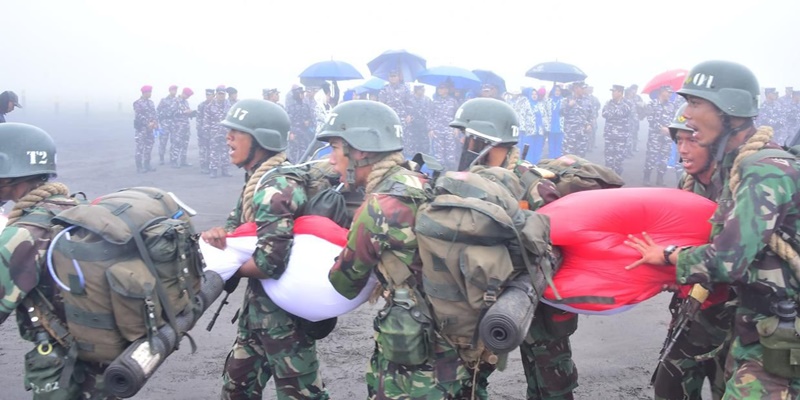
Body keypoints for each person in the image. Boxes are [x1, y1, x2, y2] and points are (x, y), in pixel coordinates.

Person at [625, 60, 800, 398]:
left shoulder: (763, 169)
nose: (686, 115)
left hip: (781, 330)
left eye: (695, 103)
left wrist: (667, 256)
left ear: (729, 110)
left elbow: (727, 260)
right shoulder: (734, 168)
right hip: (754, 327)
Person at [322, 100, 484, 399]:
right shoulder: (421, 181)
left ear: (360, 150)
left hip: (417, 359)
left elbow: (343, 282)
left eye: (334, 147)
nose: (331, 160)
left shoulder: (379, 206)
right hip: (459, 340)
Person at [450, 98, 578, 399]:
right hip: (485, 300)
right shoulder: (466, 181)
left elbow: (559, 239)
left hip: (537, 301)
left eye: (466, 136)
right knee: (467, 385)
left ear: (482, 140)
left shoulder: (532, 184)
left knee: (552, 386)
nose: (462, 143)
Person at [201, 99, 329, 400]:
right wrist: (219, 238)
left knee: (301, 395)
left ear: (262, 140)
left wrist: (228, 264)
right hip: (257, 316)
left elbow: (269, 262)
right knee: (236, 389)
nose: (228, 138)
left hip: (286, 323)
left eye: (237, 132)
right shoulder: (258, 183)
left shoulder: (275, 187)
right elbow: (235, 234)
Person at [0, 123, 115, 398]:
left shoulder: (23, 235)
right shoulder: (77, 209)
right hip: (105, 362)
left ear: (8, 174)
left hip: (63, 371)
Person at [651, 103, 733, 400]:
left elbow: (734, 258)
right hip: (694, 313)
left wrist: (671, 257)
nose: (683, 149)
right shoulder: (688, 185)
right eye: (678, 141)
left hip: (736, 320)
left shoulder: (738, 187)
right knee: (669, 388)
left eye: (692, 140)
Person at [643, 86, 677, 186]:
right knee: (651, 157)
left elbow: (675, 120)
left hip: (667, 137)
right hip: (655, 136)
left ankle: (660, 178)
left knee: (664, 158)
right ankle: (647, 177)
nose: (670, 95)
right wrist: (660, 128)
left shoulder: (672, 106)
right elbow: (650, 119)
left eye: (671, 93)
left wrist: (671, 130)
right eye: (668, 92)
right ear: (662, 92)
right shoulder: (652, 104)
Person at [601, 84, 633, 175]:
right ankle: (609, 180)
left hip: (621, 136)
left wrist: (612, 112)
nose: (612, 93)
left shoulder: (627, 103)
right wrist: (614, 113)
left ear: (620, 92)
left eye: (614, 91)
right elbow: (604, 114)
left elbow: (622, 113)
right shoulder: (608, 102)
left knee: (619, 159)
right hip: (609, 134)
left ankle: (617, 178)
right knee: (608, 159)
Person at [204, 86, 232, 178]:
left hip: (226, 132)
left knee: (225, 152)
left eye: (223, 94)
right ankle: (213, 170)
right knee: (214, 152)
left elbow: (232, 119)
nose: (221, 96)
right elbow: (206, 120)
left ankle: (225, 170)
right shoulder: (210, 106)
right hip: (214, 132)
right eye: (220, 94)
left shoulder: (229, 106)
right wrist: (207, 131)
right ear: (216, 94)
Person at [561, 81, 593, 157]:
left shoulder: (587, 101)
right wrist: (569, 106)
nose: (584, 90)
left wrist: (590, 124)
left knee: (580, 158)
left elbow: (591, 115)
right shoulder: (567, 100)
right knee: (568, 157)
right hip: (570, 134)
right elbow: (561, 113)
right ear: (576, 88)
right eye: (582, 88)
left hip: (582, 134)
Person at [133, 85, 158, 173]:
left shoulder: (151, 103)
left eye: (151, 92)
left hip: (150, 129)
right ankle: (139, 167)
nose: (150, 94)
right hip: (141, 129)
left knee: (149, 147)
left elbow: (154, 114)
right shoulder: (137, 103)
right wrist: (148, 123)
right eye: (149, 92)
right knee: (140, 147)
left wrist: (155, 124)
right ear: (144, 93)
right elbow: (139, 115)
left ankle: (147, 164)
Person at [170, 87, 195, 168]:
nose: (188, 97)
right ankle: (174, 161)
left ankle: (183, 161)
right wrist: (184, 112)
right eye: (187, 95)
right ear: (183, 93)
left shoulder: (186, 102)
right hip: (177, 127)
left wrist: (191, 113)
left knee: (185, 144)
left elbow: (187, 112)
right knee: (176, 144)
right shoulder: (175, 101)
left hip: (185, 126)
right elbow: (172, 113)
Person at [156, 85, 179, 165]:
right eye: (173, 90)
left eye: (176, 90)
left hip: (174, 123)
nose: (175, 91)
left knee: (174, 142)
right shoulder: (164, 100)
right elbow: (158, 110)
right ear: (169, 91)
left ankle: (173, 159)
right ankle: (161, 158)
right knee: (163, 141)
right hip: (165, 123)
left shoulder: (178, 101)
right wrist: (160, 121)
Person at [197, 89, 214, 173]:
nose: (208, 97)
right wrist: (200, 130)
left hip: (213, 132)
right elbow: (199, 119)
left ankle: (210, 165)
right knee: (203, 149)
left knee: (211, 149)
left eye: (210, 95)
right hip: (204, 131)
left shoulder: (215, 105)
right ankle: (203, 166)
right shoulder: (202, 105)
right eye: (207, 95)